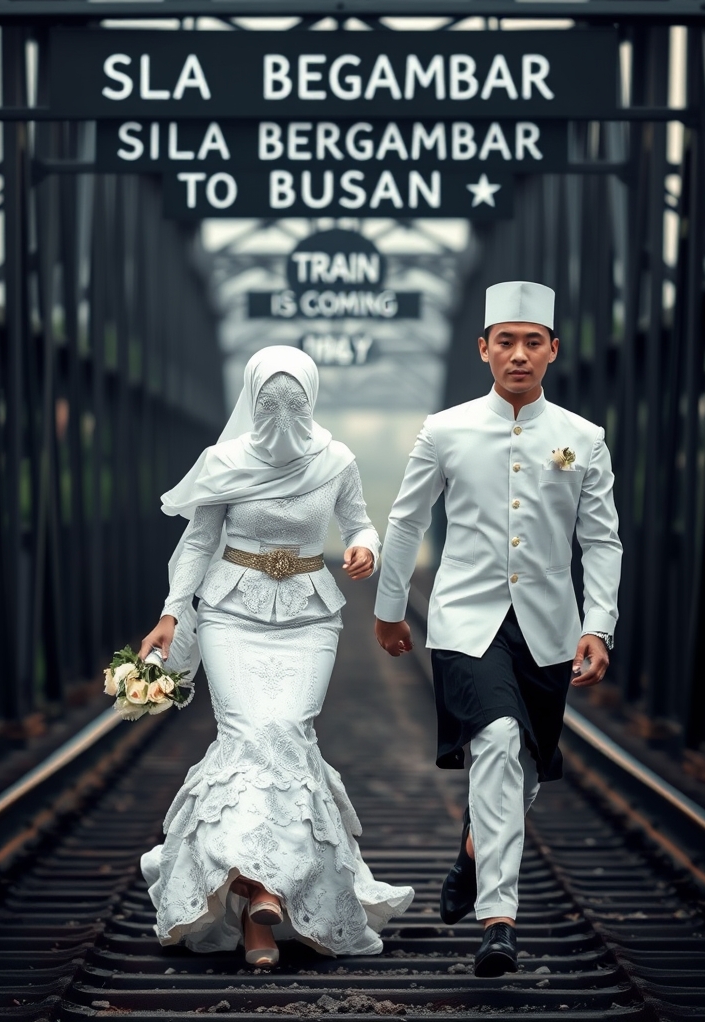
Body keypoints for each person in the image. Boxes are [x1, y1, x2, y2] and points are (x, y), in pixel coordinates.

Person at [373, 281, 621, 978]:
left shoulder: (582, 439)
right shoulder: (444, 429)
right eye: (504, 341)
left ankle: (475, 848)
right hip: (463, 621)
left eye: (532, 342)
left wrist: (599, 624)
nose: (518, 354)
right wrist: (390, 609)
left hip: (549, 628)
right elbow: (407, 519)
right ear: (483, 349)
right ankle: (499, 920)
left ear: (553, 351)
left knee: (523, 770)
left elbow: (602, 542)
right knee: (501, 741)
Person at [139, 345, 413, 968]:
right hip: (233, 611)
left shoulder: (336, 459)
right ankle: (261, 900)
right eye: (269, 401)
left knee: (286, 733)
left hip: (309, 617)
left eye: (294, 401)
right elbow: (198, 540)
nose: (282, 411)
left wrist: (364, 548)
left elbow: (358, 521)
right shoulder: (223, 462)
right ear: (251, 399)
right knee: (251, 734)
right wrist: (171, 612)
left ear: (311, 400)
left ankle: (261, 896)